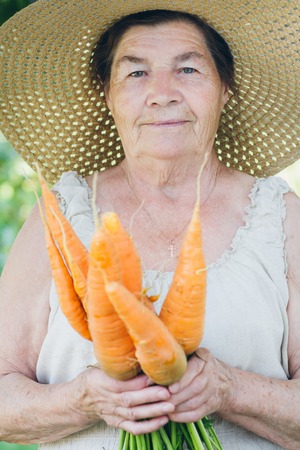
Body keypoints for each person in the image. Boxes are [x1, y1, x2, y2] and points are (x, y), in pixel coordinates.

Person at [0, 0, 299, 449]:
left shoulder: (280, 218)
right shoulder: (60, 214)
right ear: (107, 93)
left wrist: (230, 390)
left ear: (225, 88)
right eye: (136, 72)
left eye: (189, 70)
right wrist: (81, 400)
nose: (163, 92)